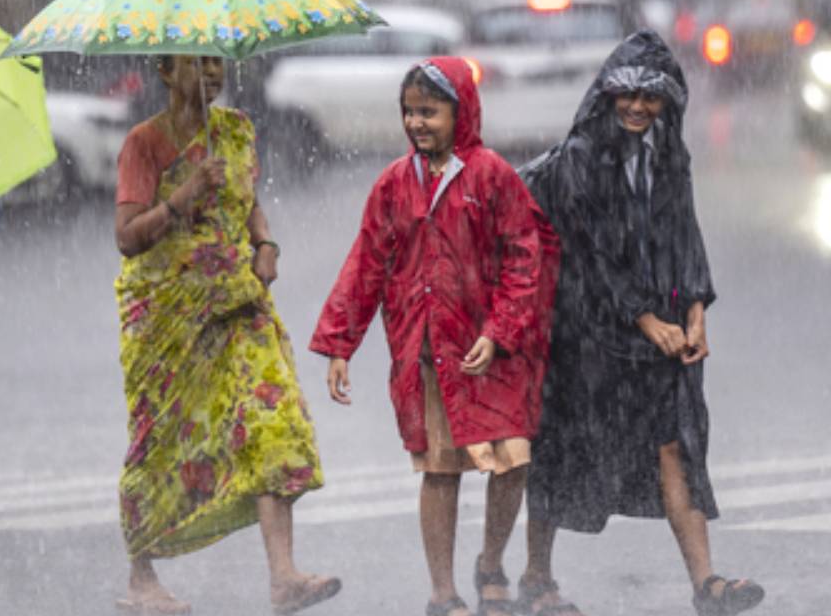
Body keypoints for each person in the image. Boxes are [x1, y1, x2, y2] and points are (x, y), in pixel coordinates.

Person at [516, 30, 764, 616]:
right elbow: (591, 251)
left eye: (650, 98)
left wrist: (696, 311)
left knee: (676, 446)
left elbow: (685, 236)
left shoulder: (668, 153)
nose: (636, 107)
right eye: (626, 94)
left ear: (667, 103)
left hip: (659, 331)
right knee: (563, 448)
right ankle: (534, 578)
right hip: (585, 334)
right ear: (606, 95)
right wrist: (646, 319)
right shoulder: (579, 159)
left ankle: (706, 584)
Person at [310, 57, 558, 616]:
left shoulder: (492, 175)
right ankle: (442, 593)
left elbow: (525, 259)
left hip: (492, 355)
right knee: (440, 471)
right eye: (410, 111)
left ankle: (490, 561)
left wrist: (500, 331)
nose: (418, 122)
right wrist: (339, 344)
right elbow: (366, 263)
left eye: (431, 111)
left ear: (461, 110)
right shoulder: (395, 184)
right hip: (430, 355)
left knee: (512, 461)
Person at [112, 54, 339, 615]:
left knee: (271, 419)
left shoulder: (236, 130)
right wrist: (183, 195)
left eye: (218, 63)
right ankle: (141, 580)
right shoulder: (145, 143)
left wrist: (266, 245)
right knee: (161, 439)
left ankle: (284, 576)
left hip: (238, 300)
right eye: (198, 63)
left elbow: (250, 205)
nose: (212, 74)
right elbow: (127, 237)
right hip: (169, 315)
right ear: (166, 72)